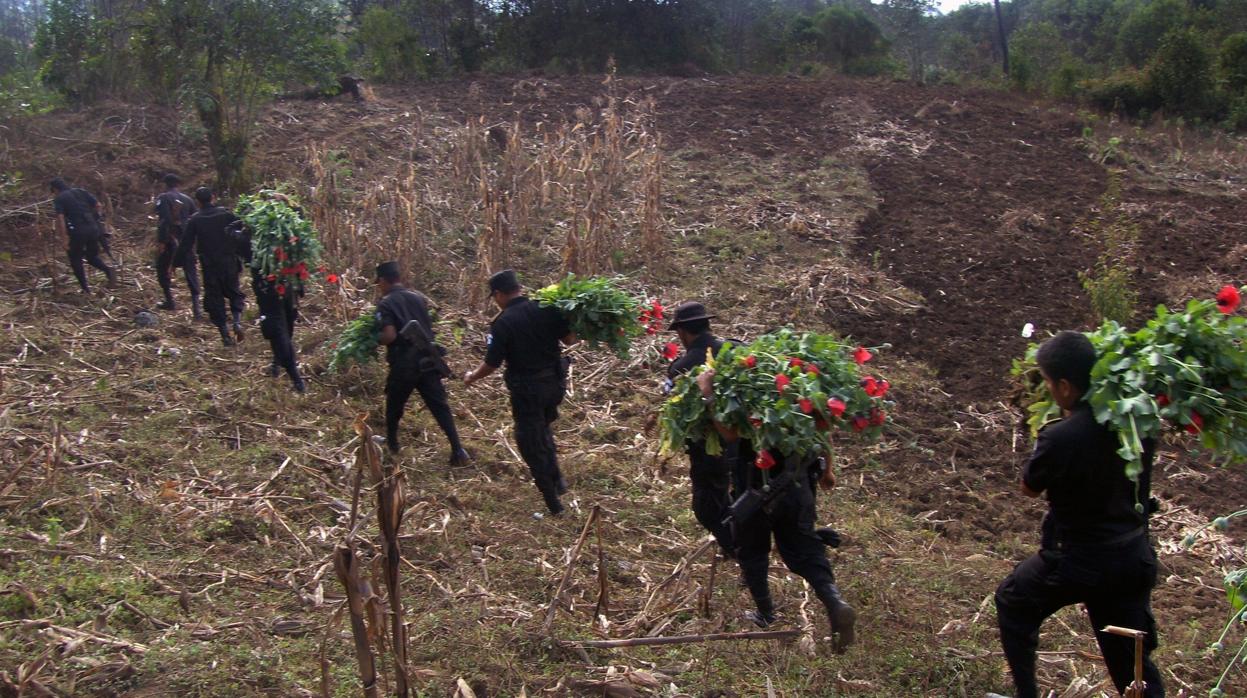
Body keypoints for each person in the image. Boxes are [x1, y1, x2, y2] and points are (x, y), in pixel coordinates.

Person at [995, 331, 1163, 698]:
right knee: (1131, 663)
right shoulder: (1135, 422)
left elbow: (1029, 487)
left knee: (1013, 600)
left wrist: (1046, 432)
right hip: (1133, 557)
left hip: (1080, 559)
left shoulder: (1061, 437)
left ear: (1066, 387)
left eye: (1050, 382)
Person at [695, 369, 857, 653]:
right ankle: (834, 602)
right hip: (799, 492)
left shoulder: (748, 401)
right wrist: (828, 471)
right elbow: (822, 435)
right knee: (806, 553)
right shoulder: (800, 401)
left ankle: (766, 614)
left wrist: (708, 392)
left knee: (753, 552)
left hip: (756, 493)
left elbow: (729, 433)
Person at [463, 269, 576, 516]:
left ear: (499, 294)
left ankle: (553, 503)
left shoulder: (503, 323)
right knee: (543, 428)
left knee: (529, 442)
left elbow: (492, 363)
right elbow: (570, 339)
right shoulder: (546, 308)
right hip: (555, 386)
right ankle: (557, 479)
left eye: (494, 297)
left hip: (528, 391)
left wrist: (472, 376)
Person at [374, 261, 470, 465]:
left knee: (394, 405)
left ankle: (392, 444)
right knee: (439, 406)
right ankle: (458, 450)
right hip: (428, 359)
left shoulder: (386, 303)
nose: (379, 286)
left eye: (379, 283)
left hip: (404, 363)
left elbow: (389, 336)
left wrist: (373, 337)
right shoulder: (417, 298)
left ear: (383, 281)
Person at [666, 302, 738, 557]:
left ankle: (738, 550)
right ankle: (740, 544)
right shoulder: (737, 349)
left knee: (706, 507)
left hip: (712, 449)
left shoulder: (684, 366)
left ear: (682, 332)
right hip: (748, 444)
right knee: (740, 498)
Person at [174, 187, 245, 346]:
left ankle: (225, 335)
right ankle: (237, 321)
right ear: (213, 197)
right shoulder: (227, 214)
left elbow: (185, 244)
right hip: (229, 262)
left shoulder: (195, 219)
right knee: (234, 292)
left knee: (214, 299)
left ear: (198, 202)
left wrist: (175, 263)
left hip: (210, 266)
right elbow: (242, 234)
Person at [50, 178, 115, 294]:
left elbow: (60, 219)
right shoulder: (80, 191)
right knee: (91, 256)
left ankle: (85, 289)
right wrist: (96, 218)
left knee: (75, 259)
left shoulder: (59, 199)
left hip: (77, 232)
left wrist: (64, 238)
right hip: (93, 229)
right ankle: (108, 270)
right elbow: (98, 205)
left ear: (55, 189)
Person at [153, 174, 201, 316]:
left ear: (166, 184)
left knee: (162, 268)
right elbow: (195, 218)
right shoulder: (188, 199)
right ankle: (196, 309)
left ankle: (169, 301)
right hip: (186, 241)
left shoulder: (163, 198)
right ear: (178, 185)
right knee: (191, 272)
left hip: (170, 240)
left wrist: (162, 241)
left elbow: (164, 221)